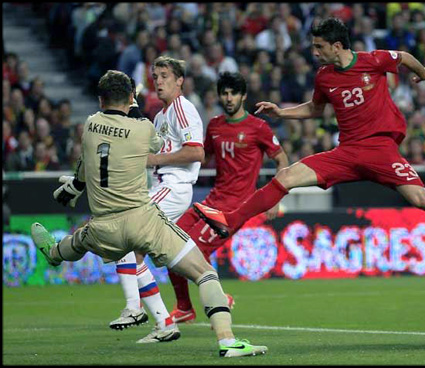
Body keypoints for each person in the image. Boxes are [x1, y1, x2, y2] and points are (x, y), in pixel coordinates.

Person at [30, 70, 267, 358]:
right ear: (131, 98)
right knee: (205, 273)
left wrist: (73, 189)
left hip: (104, 226)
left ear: (100, 99)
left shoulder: (90, 125)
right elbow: (154, 145)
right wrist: (135, 111)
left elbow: (85, 165)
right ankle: (227, 341)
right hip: (143, 221)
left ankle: (54, 254)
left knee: (78, 241)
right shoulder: (143, 127)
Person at [193, 17, 425, 240]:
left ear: (337, 46)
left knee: (421, 200)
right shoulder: (324, 77)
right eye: (313, 46)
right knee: (286, 175)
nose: (315, 52)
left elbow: (406, 58)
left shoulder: (373, 61)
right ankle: (230, 221)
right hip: (346, 153)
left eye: (319, 46)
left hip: (380, 150)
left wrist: (422, 75)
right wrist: (282, 112)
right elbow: (314, 108)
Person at [168, 72, 289, 323]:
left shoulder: (258, 127)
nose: (229, 97)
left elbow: (282, 160)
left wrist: (275, 199)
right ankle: (184, 307)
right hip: (211, 200)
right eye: (225, 93)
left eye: (234, 93)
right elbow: (201, 157)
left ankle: (218, 299)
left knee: (192, 252)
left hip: (235, 207)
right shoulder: (214, 125)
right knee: (170, 243)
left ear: (243, 96)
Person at [107, 56, 206, 340]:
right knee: (136, 251)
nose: (159, 81)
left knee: (126, 237)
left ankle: (134, 307)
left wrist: (155, 158)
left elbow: (196, 152)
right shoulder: (162, 115)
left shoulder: (182, 109)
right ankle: (164, 324)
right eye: (155, 76)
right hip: (163, 186)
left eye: (165, 76)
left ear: (179, 81)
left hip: (174, 186)